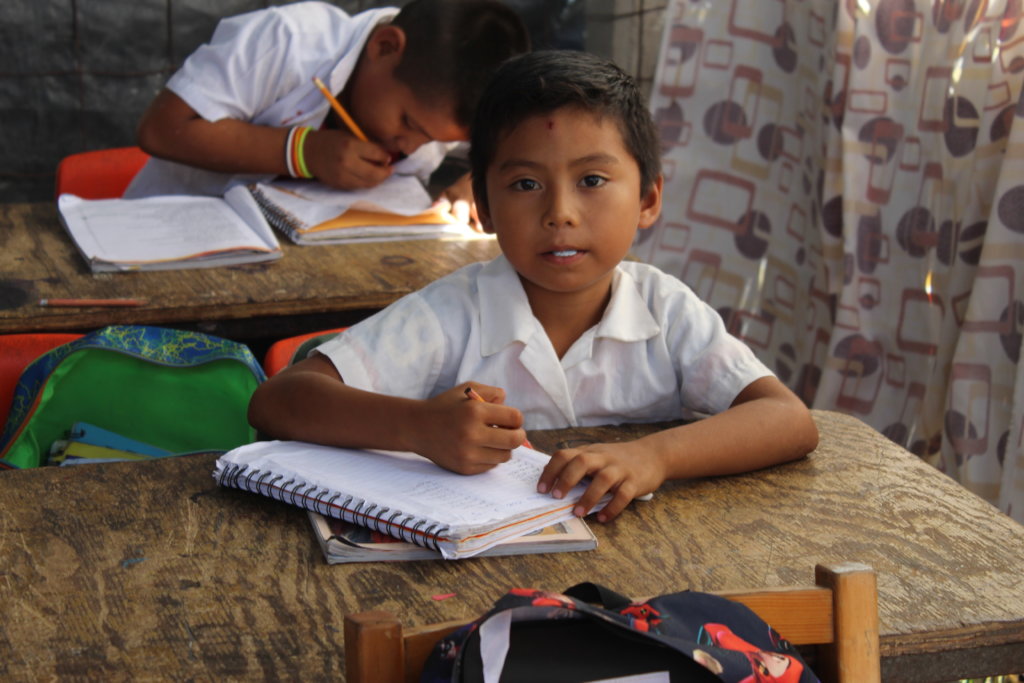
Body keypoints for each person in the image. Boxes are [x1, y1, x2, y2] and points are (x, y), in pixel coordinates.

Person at [248, 50, 819, 522]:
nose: (560, 213)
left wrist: (656, 456)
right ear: (486, 206)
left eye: (592, 180)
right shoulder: (452, 312)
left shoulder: (665, 310)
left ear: (648, 199)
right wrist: (419, 427)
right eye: (525, 183)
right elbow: (277, 401)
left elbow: (788, 420)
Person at [124, 0, 529, 226]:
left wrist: (477, 183)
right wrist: (302, 152)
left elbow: (522, 144)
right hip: (176, 245)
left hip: (328, 269)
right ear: (385, 46)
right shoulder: (290, 41)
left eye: (436, 141)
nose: (410, 145)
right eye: (409, 123)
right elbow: (162, 129)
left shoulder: (443, 99)